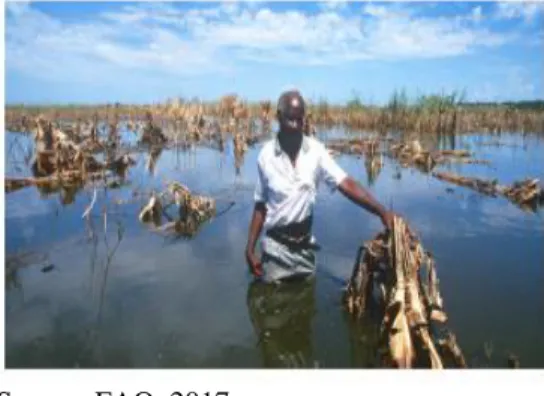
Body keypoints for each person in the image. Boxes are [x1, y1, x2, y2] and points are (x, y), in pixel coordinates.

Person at [245, 90, 395, 283]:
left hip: (305, 248)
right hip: (275, 249)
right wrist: (249, 248)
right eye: (290, 119)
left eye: (300, 120)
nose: (295, 125)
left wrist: (382, 212)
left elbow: (345, 183)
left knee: (306, 306)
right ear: (278, 117)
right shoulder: (265, 156)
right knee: (273, 306)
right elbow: (260, 205)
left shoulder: (316, 151)